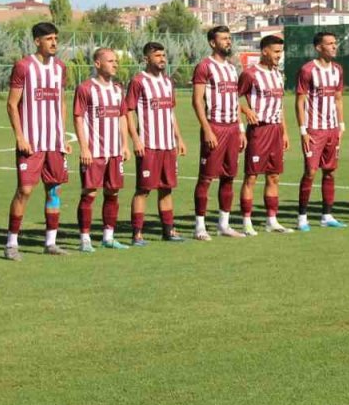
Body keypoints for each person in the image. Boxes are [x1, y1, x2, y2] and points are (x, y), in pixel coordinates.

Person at [4, 22, 71, 260]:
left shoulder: (60, 67)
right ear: (37, 41)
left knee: (54, 189)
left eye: (56, 38)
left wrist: (62, 135)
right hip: (31, 141)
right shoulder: (23, 66)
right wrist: (20, 136)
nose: (54, 43)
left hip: (53, 141)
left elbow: (62, 102)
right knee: (24, 190)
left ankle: (50, 242)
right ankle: (11, 243)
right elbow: (12, 104)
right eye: (49, 38)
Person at [126, 42, 188, 244]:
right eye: (157, 55)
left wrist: (178, 138)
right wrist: (135, 140)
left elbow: (171, 112)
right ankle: (137, 233)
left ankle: (168, 231)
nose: (162, 59)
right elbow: (127, 112)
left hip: (168, 145)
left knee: (167, 188)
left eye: (163, 55)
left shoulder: (168, 82)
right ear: (146, 59)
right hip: (148, 145)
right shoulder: (138, 81)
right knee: (143, 189)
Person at [191, 25, 246, 239]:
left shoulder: (232, 68)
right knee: (206, 178)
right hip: (214, 126)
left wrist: (240, 129)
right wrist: (207, 130)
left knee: (229, 177)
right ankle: (199, 227)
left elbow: (235, 100)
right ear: (213, 43)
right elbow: (197, 100)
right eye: (224, 38)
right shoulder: (205, 66)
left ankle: (224, 224)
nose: (228, 42)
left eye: (229, 38)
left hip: (232, 128)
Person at [73, 48, 129, 252]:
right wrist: (84, 148)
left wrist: (124, 144)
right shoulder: (85, 88)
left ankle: (108, 236)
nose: (115, 64)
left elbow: (122, 116)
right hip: (94, 152)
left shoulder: (117, 89)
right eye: (110, 61)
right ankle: (85, 239)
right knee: (90, 193)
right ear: (97, 64)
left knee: (113, 193)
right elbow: (78, 117)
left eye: (116, 61)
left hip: (114, 152)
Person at [238, 35, 292, 235]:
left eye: (281, 51)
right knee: (251, 177)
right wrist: (245, 110)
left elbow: (280, 105)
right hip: (259, 131)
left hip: (276, 130)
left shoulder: (278, 74)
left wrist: (285, 132)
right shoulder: (250, 74)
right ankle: (246, 221)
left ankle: (272, 220)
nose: (279, 55)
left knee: (274, 177)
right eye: (276, 51)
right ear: (264, 51)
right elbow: (231, 98)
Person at [294, 31, 346, 231]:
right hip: (314, 130)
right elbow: (299, 102)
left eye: (335, 43)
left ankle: (327, 215)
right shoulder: (308, 70)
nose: (334, 46)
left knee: (330, 172)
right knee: (310, 172)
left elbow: (339, 99)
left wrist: (340, 126)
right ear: (318, 48)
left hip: (332, 129)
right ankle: (302, 218)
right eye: (330, 44)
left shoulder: (338, 70)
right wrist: (303, 130)